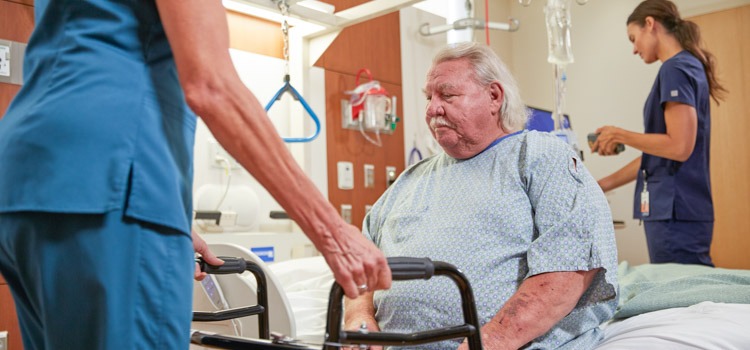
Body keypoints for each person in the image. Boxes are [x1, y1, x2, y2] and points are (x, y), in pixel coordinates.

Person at [0, 1, 391, 349]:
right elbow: (211, 85)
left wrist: (164, 216)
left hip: (30, 182)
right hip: (114, 179)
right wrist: (333, 232)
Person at [344, 42, 618, 350]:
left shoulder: (538, 155)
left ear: (494, 97)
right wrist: (360, 321)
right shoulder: (410, 179)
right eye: (429, 97)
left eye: (447, 95)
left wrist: (492, 341)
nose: (433, 108)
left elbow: (570, 265)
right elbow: (362, 265)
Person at [590, 0, 727, 267]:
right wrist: (601, 185)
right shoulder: (684, 66)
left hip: (674, 210)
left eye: (634, 38)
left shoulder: (674, 68)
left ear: (650, 24)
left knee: (680, 297)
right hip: (674, 209)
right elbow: (659, 155)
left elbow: (679, 146)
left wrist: (620, 135)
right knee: (683, 295)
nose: (633, 49)